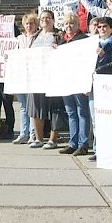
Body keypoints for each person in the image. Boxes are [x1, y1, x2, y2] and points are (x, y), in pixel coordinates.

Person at [26, 10, 66, 149]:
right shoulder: (35, 35)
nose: (45, 20)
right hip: (36, 77)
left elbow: (65, 52)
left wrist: (59, 49)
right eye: (42, 18)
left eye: (48, 18)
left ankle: (52, 139)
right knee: (36, 107)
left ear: (53, 20)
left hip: (53, 77)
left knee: (55, 108)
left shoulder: (59, 35)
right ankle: (38, 138)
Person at [88, 16, 112, 161]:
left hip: (109, 86)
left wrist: (104, 57)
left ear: (111, 28)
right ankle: (98, 149)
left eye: (105, 27)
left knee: (109, 117)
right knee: (95, 119)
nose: (102, 29)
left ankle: (110, 148)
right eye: (99, 27)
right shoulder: (91, 43)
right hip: (92, 85)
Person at [57, 13, 91, 156]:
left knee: (82, 112)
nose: (69, 27)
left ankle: (83, 144)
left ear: (78, 25)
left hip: (79, 81)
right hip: (66, 82)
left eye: (72, 24)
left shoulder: (84, 40)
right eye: (66, 24)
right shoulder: (61, 43)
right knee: (71, 112)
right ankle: (73, 142)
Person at [12, 13, 39, 145]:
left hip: (33, 76)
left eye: (32, 23)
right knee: (23, 106)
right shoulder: (18, 39)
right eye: (27, 23)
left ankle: (33, 135)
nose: (29, 26)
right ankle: (23, 133)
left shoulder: (39, 38)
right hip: (20, 76)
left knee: (32, 107)